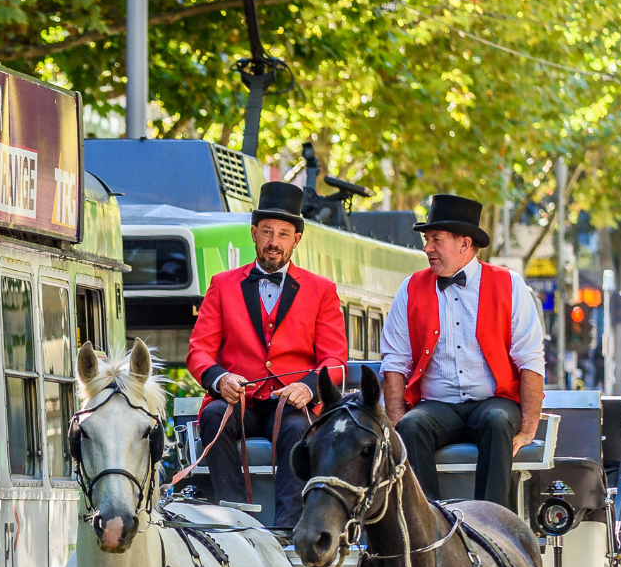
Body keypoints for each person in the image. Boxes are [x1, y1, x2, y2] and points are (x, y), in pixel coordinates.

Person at [186, 180, 348, 528]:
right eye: (267, 232)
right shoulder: (222, 284)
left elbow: (334, 360)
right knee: (215, 415)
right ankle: (230, 521)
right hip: (239, 400)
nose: (274, 242)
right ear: (253, 234)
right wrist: (219, 378)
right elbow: (199, 351)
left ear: (296, 239)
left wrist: (308, 387)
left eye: (283, 234)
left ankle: (287, 528)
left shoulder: (322, 290)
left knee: (296, 429)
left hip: (292, 403)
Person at [377, 192, 546, 508]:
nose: (427, 248)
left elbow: (530, 360)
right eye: (427, 239)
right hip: (438, 405)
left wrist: (527, 429)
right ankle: (429, 525)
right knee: (412, 426)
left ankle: (491, 521)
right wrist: (397, 422)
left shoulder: (510, 284)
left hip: (493, 401)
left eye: (436, 240)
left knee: (497, 420)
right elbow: (395, 361)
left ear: (465, 244)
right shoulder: (411, 287)